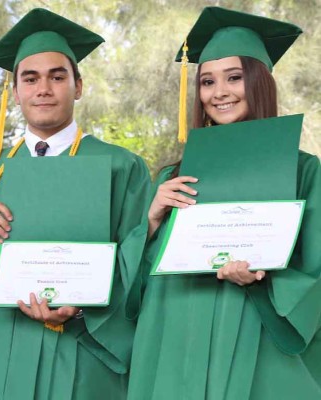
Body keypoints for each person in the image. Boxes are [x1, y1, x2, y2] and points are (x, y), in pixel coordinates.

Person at [0, 8, 151, 400]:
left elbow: (138, 260)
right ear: (16, 92)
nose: (43, 88)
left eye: (57, 76)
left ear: (78, 86)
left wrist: (83, 308)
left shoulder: (122, 166)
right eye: (30, 79)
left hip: (80, 355)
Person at [128, 7, 321, 399]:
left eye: (234, 78)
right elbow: (141, 282)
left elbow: (315, 270)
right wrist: (150, 222)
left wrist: (264, 280)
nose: (219, 93)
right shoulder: (173, 178)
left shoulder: (304, 172)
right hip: (177, 336)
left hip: (261, 340)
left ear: (260, 82)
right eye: (207, 82)